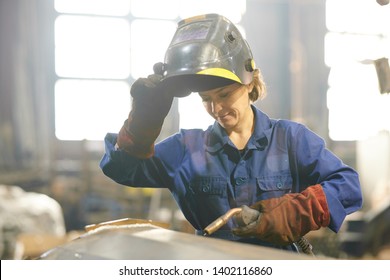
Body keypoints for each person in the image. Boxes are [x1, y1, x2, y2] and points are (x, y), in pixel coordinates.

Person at [100, 14, 363, 252]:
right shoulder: (186, 149)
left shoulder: (290, 139)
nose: (216, 108)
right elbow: (122, 169)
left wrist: (291, 213)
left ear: (250, 83)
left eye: (225, 95)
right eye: (206, 99)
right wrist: (143, 120)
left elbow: (348, 186)